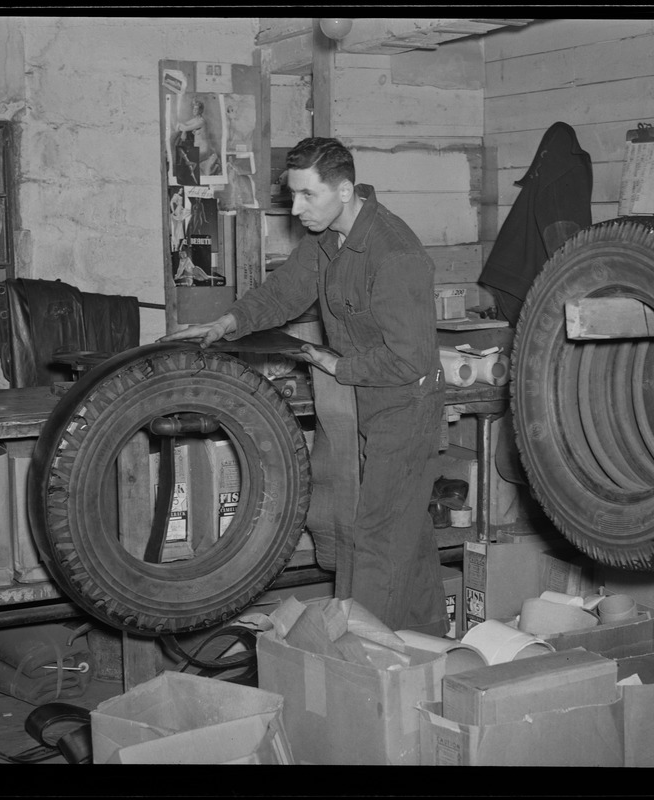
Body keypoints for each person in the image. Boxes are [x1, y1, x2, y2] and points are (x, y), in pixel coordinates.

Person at [160, 137, 448, 637]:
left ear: (345, 189)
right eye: (292, 195)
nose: (296, 209)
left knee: (377, 536)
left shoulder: (394, 253)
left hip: (407, 405)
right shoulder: (327, 239)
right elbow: (284, 292)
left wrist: (339, 366)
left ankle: (362, 660)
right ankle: (431, 640)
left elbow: (410, 357)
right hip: (372, 400)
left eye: (307, 196)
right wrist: (229, 322)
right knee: (407, 526)